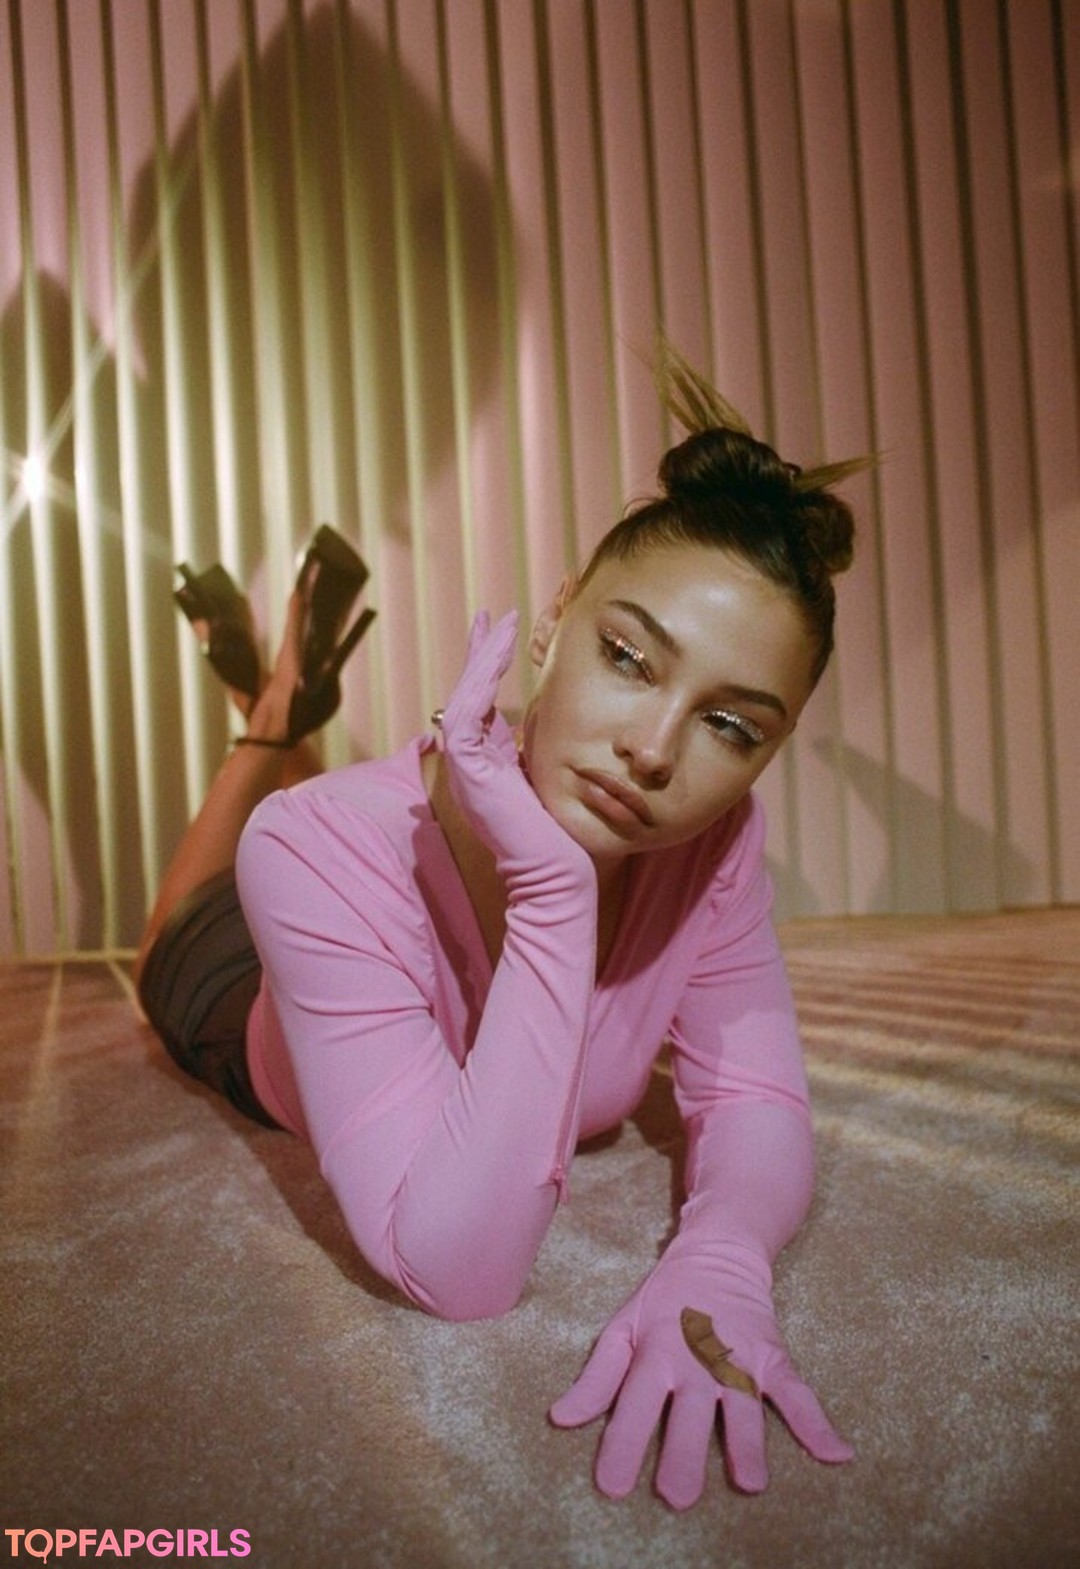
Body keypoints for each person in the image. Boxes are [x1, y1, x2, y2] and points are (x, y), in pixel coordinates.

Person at [136, 350, 864, 1510]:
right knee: (178, 917)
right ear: (557, 617)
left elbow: (755, 1096)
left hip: (347, 879)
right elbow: (458, 1270)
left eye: (730, 726)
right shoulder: (310, 845)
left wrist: (723, 1253)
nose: (654, 751)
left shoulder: (715, 847)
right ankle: (271, 714)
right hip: (233, 983)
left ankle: (294, 702)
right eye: (629, 658)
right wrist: (557, 896)